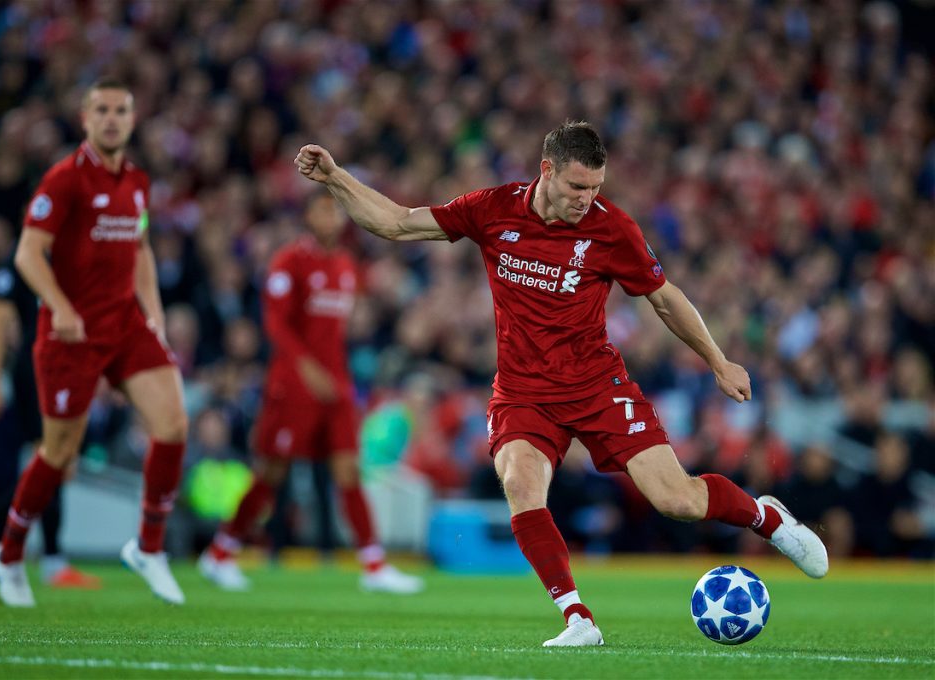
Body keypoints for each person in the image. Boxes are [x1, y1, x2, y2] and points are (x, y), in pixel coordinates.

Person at [292, 121, 828, 647]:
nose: (585, 199)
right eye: (577, 187)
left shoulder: (611, 228)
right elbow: (398, 222)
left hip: (597, 385)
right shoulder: (492, 209)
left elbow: (664, 298)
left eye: (596, 188)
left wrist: (718, 360)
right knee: (520, 485)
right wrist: (337, 178)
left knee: (677, 500)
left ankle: (767, 517)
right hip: (524, 392)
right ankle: (577, 617)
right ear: (546, 170)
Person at [0, 78, 188, 607]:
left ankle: (149, 548)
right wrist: (62, 307)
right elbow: (28, 256)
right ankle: (8, 553)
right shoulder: (63, 180)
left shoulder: (138, 181)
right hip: (69, 335)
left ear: (133, 118)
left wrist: (155, 314)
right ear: (84, 118)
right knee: (59, 453)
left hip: (123, 325)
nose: (112, 119)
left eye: (121, 110)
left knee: (172, 425)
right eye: (101, 110)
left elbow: (140, 247)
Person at [198, 192, 423, 595]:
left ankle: (373, 564)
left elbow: (336, 332)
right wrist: (307, 371)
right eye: (324, 209)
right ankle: (220, 552)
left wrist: (337, 377)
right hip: (293, 386)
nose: (332, 217)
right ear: (308, 216)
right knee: (272, 472)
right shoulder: (289, 262)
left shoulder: (344, 265)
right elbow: (277, 326)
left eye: (336, 211)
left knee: (348, 470)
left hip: (334, 385)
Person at [0, 251, 101, 589]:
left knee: (54, 462)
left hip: (63, 366)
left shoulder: (75, 251)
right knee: (54, 459)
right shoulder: (22, 258)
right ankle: (45, 557)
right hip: (37, 368)